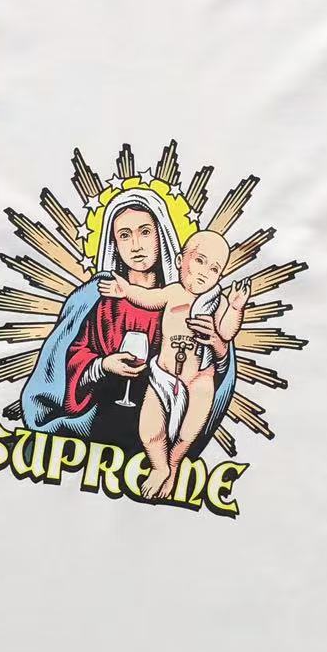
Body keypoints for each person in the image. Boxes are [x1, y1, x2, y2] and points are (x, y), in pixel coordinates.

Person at [20, 190, 238, 460]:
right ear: (114, 243)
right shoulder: (97, 296)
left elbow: (216, 371)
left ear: (160, 235)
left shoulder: (190, 300)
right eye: (124, 235)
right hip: (97, 424)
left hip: (163, 419)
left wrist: (217, 343)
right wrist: (102, 365)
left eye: (145, 232)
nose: (136, 245)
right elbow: (64, 359)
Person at [98, 230, 249, 498]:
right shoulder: (173, 292)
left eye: (214, 269)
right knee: (149, 432)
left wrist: (236, 308)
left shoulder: (217, 303)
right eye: (199, 261)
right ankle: (160, 467)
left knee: (189, 431)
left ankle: (175, 463)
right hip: (163, 375)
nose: (204, 273)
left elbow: (226, 332)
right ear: (180, 260)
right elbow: (148, 299)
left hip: (199, 378)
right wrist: (126, 291)